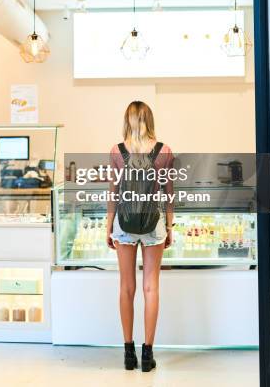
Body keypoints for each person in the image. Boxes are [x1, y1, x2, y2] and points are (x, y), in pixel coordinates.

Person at [107, 100, 174, 372]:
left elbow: (112, 193)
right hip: (154, 222)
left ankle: (127, 353)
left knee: (126, 287)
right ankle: (148, 354)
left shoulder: (117, 151)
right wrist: (170, 226)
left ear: (128, 121)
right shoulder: (164, 151)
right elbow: (169, 194)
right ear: (149, 120)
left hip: (124, 222)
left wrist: (108, 226)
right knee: (151, 287)